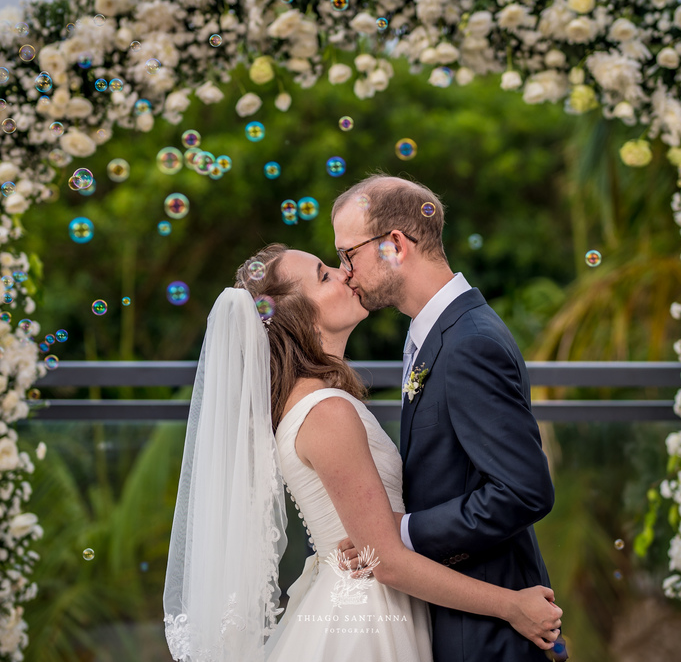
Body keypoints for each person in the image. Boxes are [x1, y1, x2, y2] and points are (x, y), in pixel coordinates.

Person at [163, 241, 562, 662]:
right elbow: (385, 561)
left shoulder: (316, 401)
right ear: (295, 313)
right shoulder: (327, 412)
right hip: (369, 619)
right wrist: (512, 606)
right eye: (323, 275)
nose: (343, 273)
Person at [331, 174, 563, 662]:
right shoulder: (432, 333)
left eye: (348, 254)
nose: (344, 272)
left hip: (485, 629)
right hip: (453, 610)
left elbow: (524, 490)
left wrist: (405, 532)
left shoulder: (469, 343)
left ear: (394, 245)